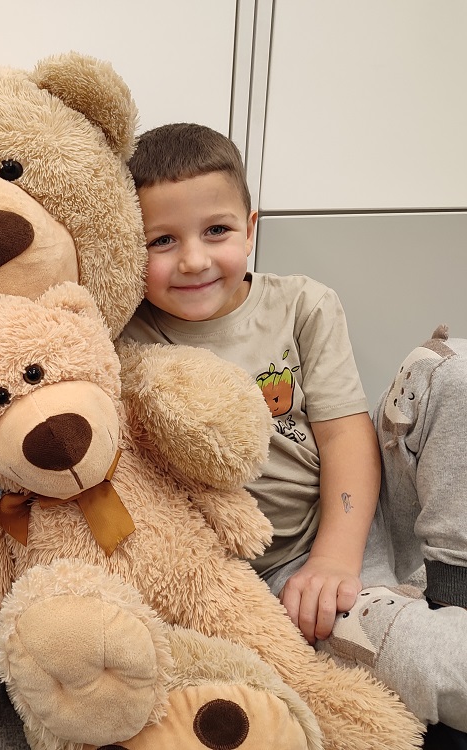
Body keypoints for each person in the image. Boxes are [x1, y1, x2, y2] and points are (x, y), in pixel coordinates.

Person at [121, 122, 467, 740]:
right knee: (425, 658)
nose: (194, 259)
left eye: (217, 231)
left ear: (251, 228)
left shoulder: (304, 303)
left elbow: (344, 435)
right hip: (283, 576)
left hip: (361, 512)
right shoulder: (127, 337)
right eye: (162, 240)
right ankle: (418, 614)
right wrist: (322, 573)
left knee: (452, 368)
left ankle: (454, 578)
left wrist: (337, 555)